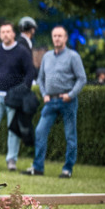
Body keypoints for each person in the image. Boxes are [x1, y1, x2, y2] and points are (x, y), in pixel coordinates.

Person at [24, 26, 86, 179]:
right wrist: (44, 94)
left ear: (65, 38)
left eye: (60, 36)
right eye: (54, 36)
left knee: (70, 136)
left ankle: (67, 169)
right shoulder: (47, 56)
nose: (57, 38)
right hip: (50, 101)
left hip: (68, 102)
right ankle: (38, 167)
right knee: (39, 132)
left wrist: (70, 95)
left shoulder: (73, 56)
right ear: (52, 38)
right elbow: (41, 78)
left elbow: (82, 79)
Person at [0, 21, 36, 171]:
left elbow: (30, 72)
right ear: (0, 34)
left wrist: (23, 90)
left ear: (13, 34)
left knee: (13, 130)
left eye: (8, 32)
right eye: (3, 32)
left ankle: (12, 160)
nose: (5, 34)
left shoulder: (22, 51)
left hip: (14, 98)